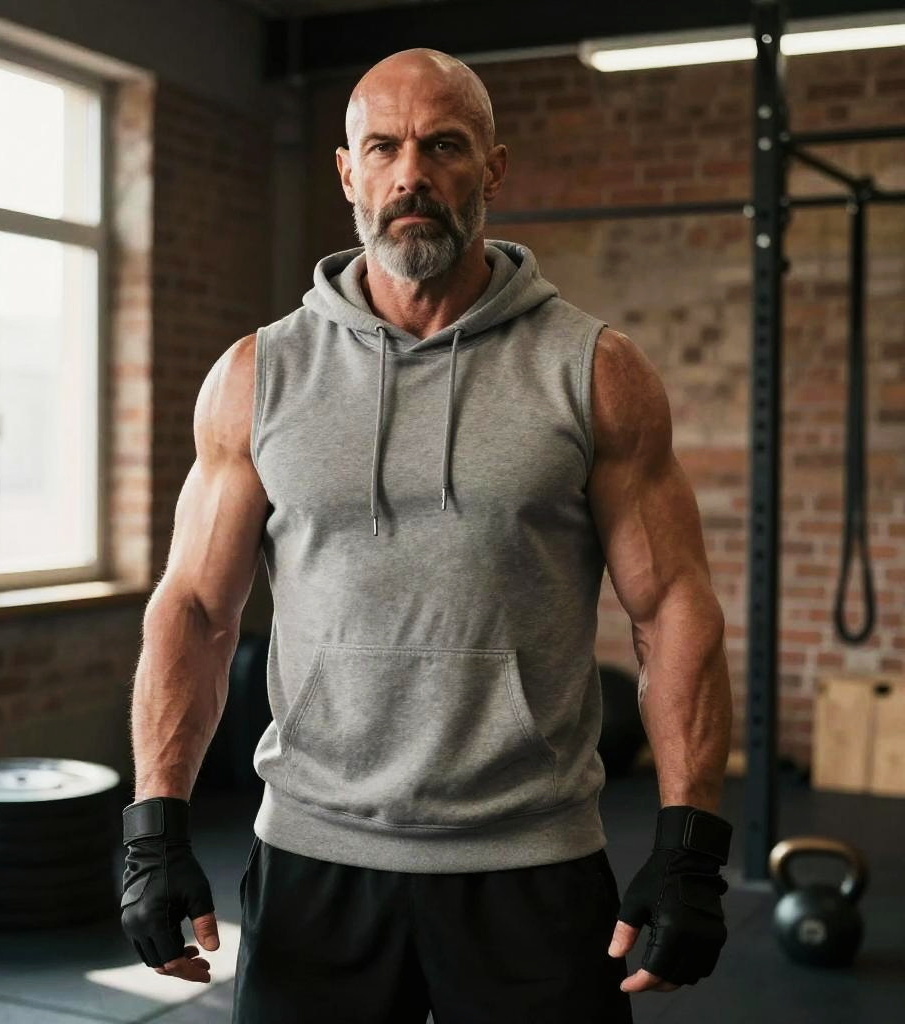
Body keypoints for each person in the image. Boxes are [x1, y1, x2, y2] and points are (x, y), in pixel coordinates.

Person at [120, 47, 734, 1023]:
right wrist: (154, 827)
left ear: (491, 168)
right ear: (347, 171)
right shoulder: (257, 375)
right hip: (313, 860)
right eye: (384, 147)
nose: (411, 173)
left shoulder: (594, 370)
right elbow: (195, 607)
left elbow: (671, 607)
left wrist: (691, 843)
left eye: (443, 145)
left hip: (530, 863)